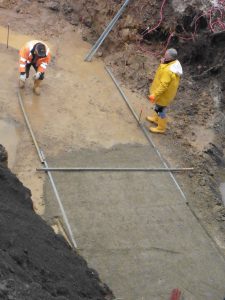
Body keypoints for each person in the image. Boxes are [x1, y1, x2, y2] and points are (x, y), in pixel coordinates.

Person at [146, 48, 183, 133]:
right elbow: (163, 72)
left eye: (166, 55)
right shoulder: (174, 63)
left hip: (164, 94)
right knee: (157, 106)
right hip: (166, 94)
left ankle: (161, 128)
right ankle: (155, 119)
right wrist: (163, 63)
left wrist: (154, 95)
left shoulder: (168, 70)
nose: (164, 55)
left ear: (170, 57)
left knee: (160, 110)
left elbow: (163, 85)